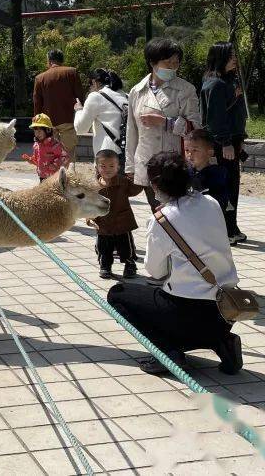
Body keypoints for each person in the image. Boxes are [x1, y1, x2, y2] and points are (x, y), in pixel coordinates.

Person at [107, 151, 243, 375]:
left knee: (118, 294)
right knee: (197, 315)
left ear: (155, 185)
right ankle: (222, 342)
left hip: (184, 313)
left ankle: (168, 352)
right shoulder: (211, 203)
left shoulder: (163, 218)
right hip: (225, 309)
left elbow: (155, 271)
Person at [126, 38, 201, 209]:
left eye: (176, 62)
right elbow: (132, 131)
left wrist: (165, 122)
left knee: (176, 213)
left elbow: (195, 129)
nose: (173, 67)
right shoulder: (136, 91)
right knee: (158, 213)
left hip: (175, 165)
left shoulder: (186, 90)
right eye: (168, 62)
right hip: (148, 161)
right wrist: (130, 166)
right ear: (152, 62)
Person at [200, 42, 248, 243]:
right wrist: (226, 142)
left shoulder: (225, 82)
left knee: (231, 186)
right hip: (223, 143)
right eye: (230, 56)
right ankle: (226, 231)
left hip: (232, 140)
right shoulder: (216, 84)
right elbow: (215, 118)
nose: (234, 60)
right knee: (225, 186)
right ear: (220, 58)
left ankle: (231, 227)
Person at [93, 148, 142, 280]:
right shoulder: (93, 186)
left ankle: (130, 265)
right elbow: (89, 204)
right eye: (103, 166)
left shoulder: (123, 181)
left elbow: (136, 189)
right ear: (96, 167)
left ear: (118, 167)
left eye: (111, 166)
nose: (107, 169)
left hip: (122, 222)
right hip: (102, 223)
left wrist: (140, 177)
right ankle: (105, 266)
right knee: (104, 247)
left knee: (126, 246)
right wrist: (89, 218)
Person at [33, 50, 84, 163]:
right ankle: (69, 176)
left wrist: (37, 124)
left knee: (50, 153)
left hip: (48, 123)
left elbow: (37, 103)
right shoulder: (72, 72)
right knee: (69, 152)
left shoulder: (40, 78)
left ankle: (53, 177)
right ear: (62, 60)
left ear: (49, 61)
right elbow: (80, 96)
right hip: (68, 119)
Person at [74, 68, 128, 162]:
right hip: (128, 153)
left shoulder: (96, 96)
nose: (90, 88)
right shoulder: (127, 96)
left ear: (95, 82)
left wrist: (79, 110)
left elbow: (80, 128)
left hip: (107, 155)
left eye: (90, 84)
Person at [21, 113, 70, 180]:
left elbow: (65, 157)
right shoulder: (36, 145)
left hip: (54, 176)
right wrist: (30, 160)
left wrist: (56, 164)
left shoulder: (55, 145)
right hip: (42, 176)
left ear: (48, 130)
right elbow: (37, 160)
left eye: (40, 130)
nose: (37, 133)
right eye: (35, 131)